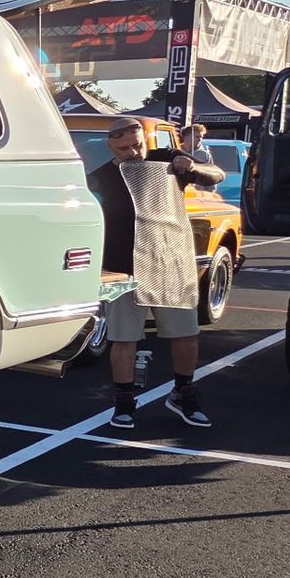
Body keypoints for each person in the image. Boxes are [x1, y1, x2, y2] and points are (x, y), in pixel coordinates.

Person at [88, 117, 224, 429]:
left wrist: (189, 167)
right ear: (110, 145)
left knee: (186, 334)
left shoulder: (166, 161)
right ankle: (123, 402)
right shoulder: (100, 177)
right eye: (124, 148)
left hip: (171, 261)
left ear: (145, 139)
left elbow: (215, 175)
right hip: (125, 267)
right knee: (124, 339)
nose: (133, 152)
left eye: (137, 145)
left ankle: (183, 393)